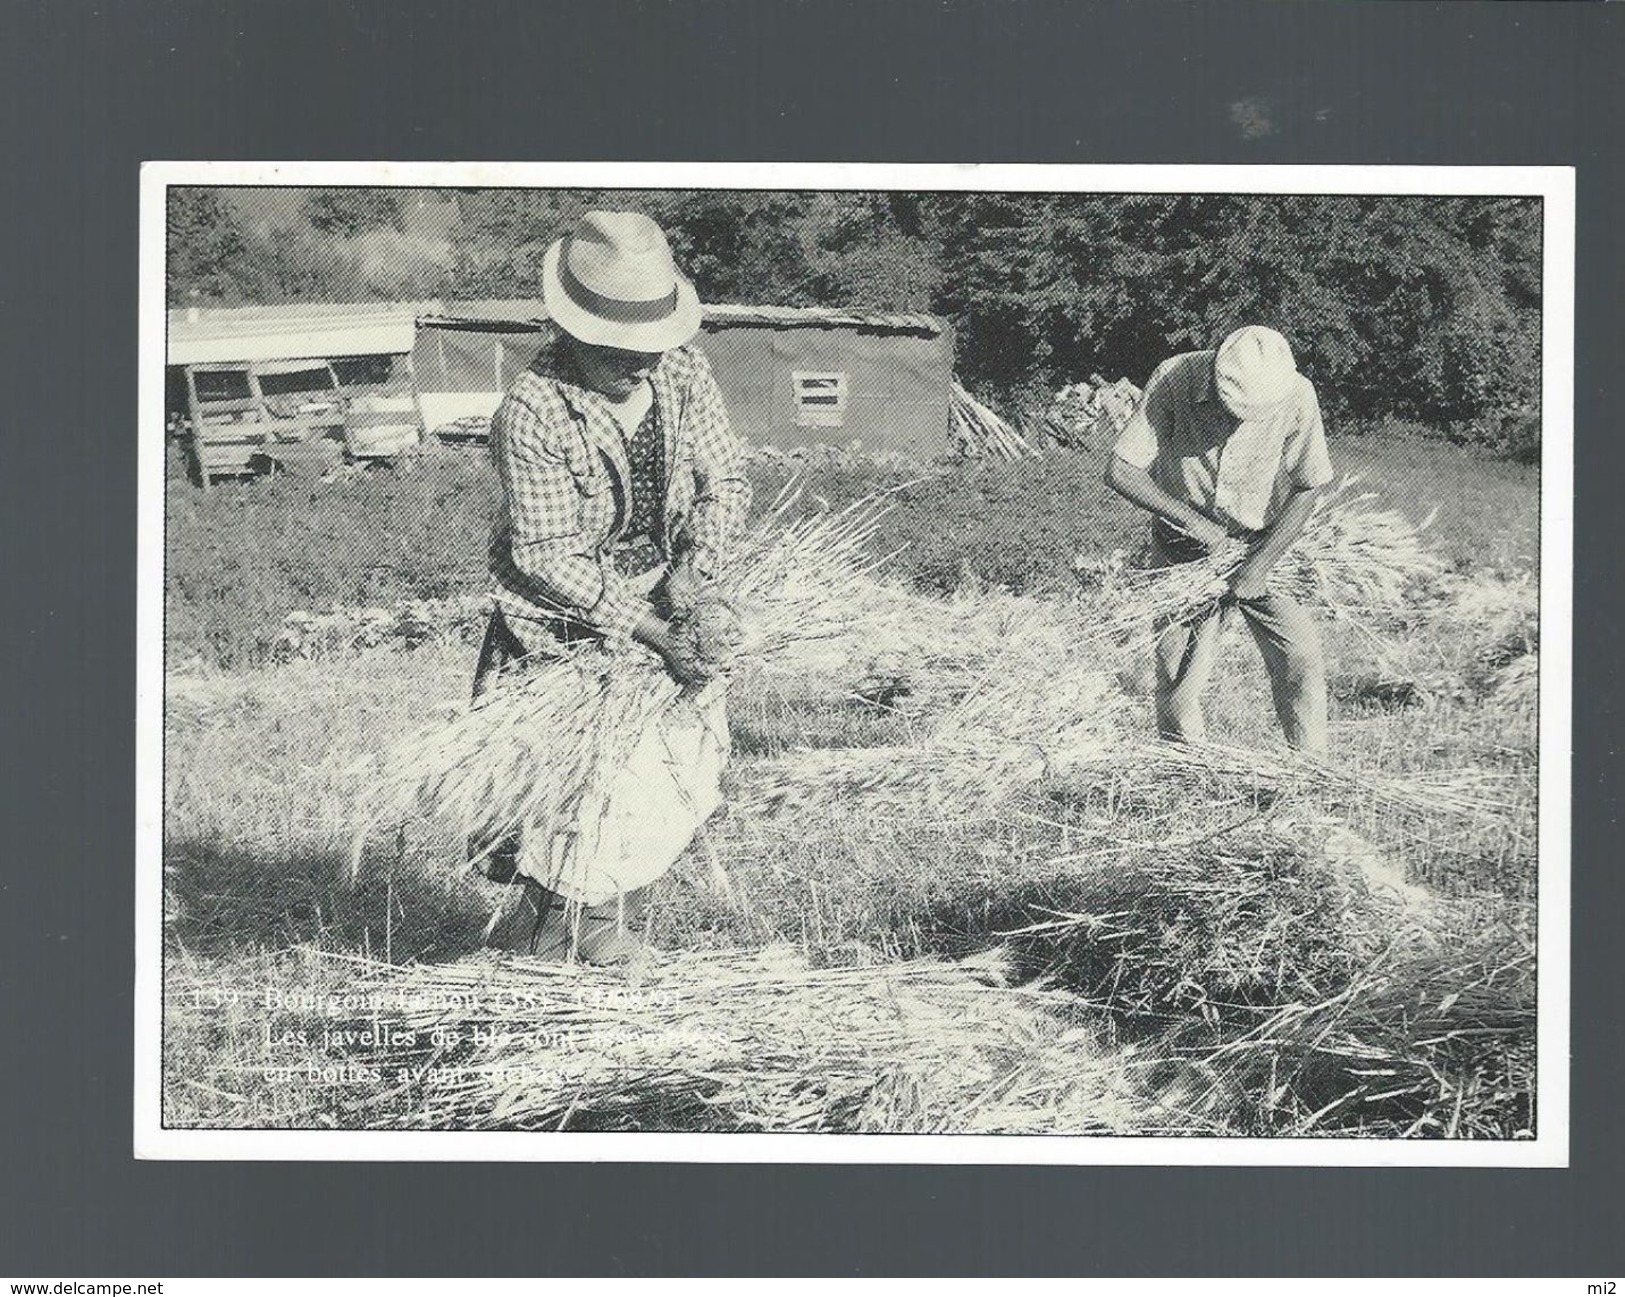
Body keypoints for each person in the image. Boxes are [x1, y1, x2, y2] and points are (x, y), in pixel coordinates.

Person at [473, 209, 751, 962]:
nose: (641, 365)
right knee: (582, 780)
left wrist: (695, 570)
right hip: (565, 615)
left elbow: (723, 478)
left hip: (665, 595)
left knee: (665, 770)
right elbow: (547, 554)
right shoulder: (533, 410)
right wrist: (655, 633)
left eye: (652, 347)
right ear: (572, 333)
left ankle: (593, 921)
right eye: (620, 351)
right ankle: (550, 935)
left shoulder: (682, 371)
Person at [1104, 325, 1333, 754]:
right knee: (1179, 675)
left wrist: (1260, 565)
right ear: (1213, 374)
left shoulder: (1296, 394)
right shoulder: (1174, 378)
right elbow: (1121, 469)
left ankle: (1310, 769)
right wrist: (1190, 521)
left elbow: (1309, 485)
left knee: (1300, 656)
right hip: (1183, 554)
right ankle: (1185, 769)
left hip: (1264, 546)